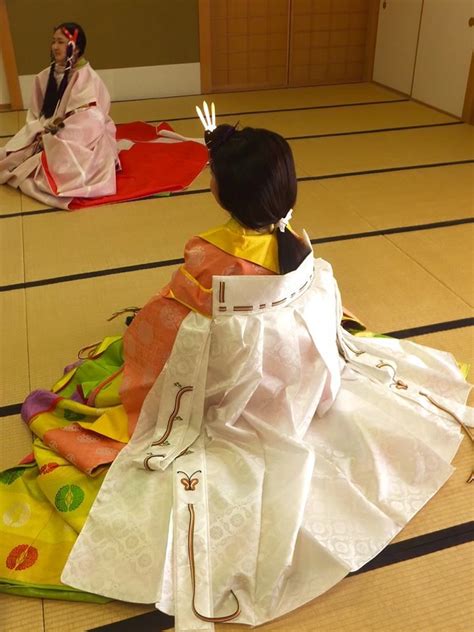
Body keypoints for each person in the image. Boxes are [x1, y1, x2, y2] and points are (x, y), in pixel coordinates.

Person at [0, 110, 472, 628]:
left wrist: (144, 336)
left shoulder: (209, 251)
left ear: (222, 192)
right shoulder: (297, 239)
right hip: (292, 370)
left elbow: (177, 315)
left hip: (238, 379)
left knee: (147, 334)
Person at [0, 23, 118, 209]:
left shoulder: (88, 78)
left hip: (81, 137)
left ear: (76, 47)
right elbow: (37, 114)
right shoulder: (45, 75)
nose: (55, 46)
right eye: (53, 41)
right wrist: (41, 128)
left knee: (63, 168)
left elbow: (90, 120)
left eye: (61, 42)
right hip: (47, 132)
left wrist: (58, 132)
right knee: (13, 156)